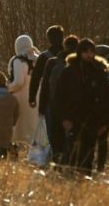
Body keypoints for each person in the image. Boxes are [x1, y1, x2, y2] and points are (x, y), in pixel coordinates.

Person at [55, 38, 109, 175]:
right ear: (79, 52)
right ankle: (72, 180)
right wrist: (64, 119)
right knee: (73, 153)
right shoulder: (69, 72)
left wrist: (105, 122)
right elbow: (59, 97)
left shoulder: (99, 72)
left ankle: (84, 180)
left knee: (88, 155)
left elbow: (107, 99)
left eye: (91, 51)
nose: (89, 55)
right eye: (85, 52)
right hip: (73, 118)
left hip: (93, 120)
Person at [39, 35, 79, 165]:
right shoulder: (80, 64)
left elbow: (45, 85)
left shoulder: (53, 62)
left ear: (64, 46)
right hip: (74, 107)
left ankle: (57, 162)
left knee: (55, 137)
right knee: (72, 137)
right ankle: (70, 162)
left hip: (53, 105)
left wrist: (41, 106)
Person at [7, 35, 39, 145]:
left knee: (20, 128)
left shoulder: (18, 60)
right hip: (36, 97)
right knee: (34, 127)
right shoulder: (37, 59)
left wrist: (8, 88)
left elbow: (19, 82)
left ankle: (18, 149)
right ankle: (36, 151)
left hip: (21, 98)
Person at [29, 25, 64, 109]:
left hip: (49, 98)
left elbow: (35, 78)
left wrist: (32, 97)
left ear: (49, 39)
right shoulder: (71, 55)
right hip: (68, 98)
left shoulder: (43, 57)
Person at [94, 44, 109, 173]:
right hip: (103, 114)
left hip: (95, 113)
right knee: (102, 141)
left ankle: (95, 165)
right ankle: (100, 166)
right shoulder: (107, 76)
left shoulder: (89, 73)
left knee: (93, 141)